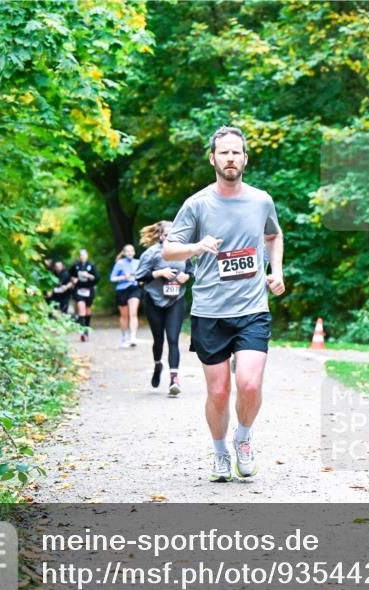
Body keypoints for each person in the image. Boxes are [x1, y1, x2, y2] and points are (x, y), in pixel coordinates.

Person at [163, 126, 285, 483]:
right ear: (213, 158)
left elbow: (273, 235)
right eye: (224, 152)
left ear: (245, 158)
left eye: (236, 152)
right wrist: (196, 247)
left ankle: (243, 439)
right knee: (218, 391)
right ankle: (220, 454)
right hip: (210, 312)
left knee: (248, 384)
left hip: (252, 310)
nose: (230, 158)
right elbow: (170, 249)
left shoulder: (261, 199)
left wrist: (276, 271)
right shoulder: (197, 204)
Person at [135, 221, 194, 396]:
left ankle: (174, 379)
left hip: (176, 299)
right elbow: (139, 276)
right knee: (158, 340)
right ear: (161, 236)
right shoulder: (151, 253)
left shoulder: (184, 252)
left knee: (173, 339)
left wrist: (186, 276)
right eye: (167, 234)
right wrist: (159, 273)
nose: (170, 237)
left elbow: (191, 270)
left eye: (173, 234)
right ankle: (158, 364)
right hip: (154, 300)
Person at [110, 244, 142, 348]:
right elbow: (112, 278)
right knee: (124, 316)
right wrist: (124, 277)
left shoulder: (138, 262)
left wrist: (140, 280)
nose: (130, 253)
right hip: (122, 290)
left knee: (133, 313)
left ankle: (133, 337)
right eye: (127, 251)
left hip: (134, 288)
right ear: (124, 253)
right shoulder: (120, 263)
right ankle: (124, 336)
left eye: (132, 251)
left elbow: (142, 276)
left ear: (134, 252)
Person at [70, 249, 99, 342]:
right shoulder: (76, 266)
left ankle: (86, 331)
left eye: (84, 255)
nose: (83, 257)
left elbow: (97, 278)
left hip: (89, 290)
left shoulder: (92, 265)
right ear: (79, 256)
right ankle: (82, 333)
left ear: (87, 255)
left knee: (87, 311)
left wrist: (89, 276)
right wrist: (73, 280)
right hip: (79, 290)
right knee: (81, 310)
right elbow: (69, 274)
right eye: (81, 255)